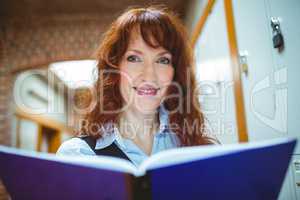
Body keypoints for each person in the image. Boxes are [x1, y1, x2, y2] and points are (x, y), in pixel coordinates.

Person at [56, 5, 216, 167]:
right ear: (114, 68)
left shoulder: (200, 150)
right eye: (134, 58)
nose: (149, 75)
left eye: (163, 60)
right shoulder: (78, 155)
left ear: (175, 73)